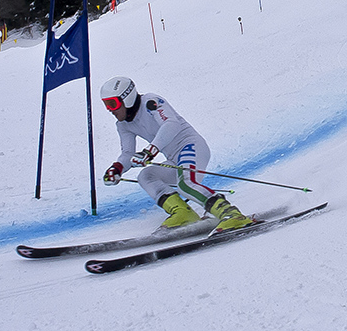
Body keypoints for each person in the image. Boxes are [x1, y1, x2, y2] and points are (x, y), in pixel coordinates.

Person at [98, 76, 255, 233]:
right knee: (146, 176)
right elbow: (127, 153)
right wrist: (117, 168)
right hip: (174, 159)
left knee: (185, 184)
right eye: (106, 105)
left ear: (127, 98)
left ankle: (232, 214)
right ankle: (183, 213)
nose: (110, 110)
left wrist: (149, 151)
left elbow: (171, 124)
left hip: (191, 146)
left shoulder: (150, 102)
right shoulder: (123, 125)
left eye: (113, 104)